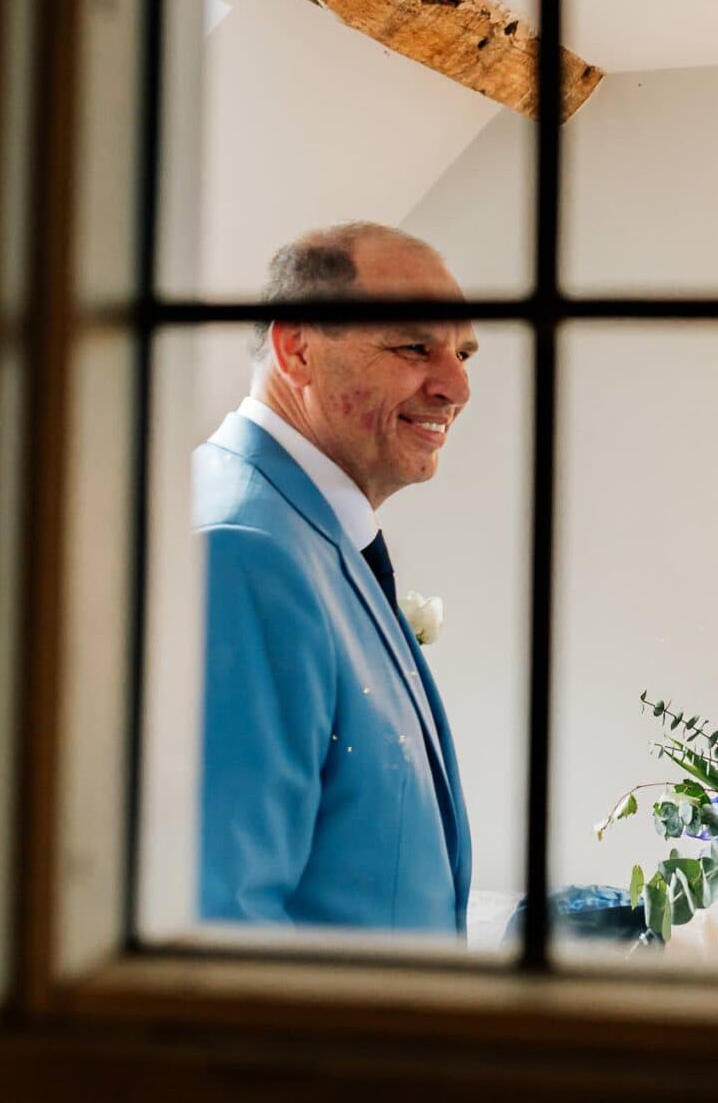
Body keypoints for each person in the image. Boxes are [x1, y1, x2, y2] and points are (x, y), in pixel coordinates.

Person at [193, 222, 476, 932]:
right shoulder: (242, 548)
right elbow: (227, 917)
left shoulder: (306, 530)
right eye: (416, 346)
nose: (457, 386)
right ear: (297, 348)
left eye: (463, 353)